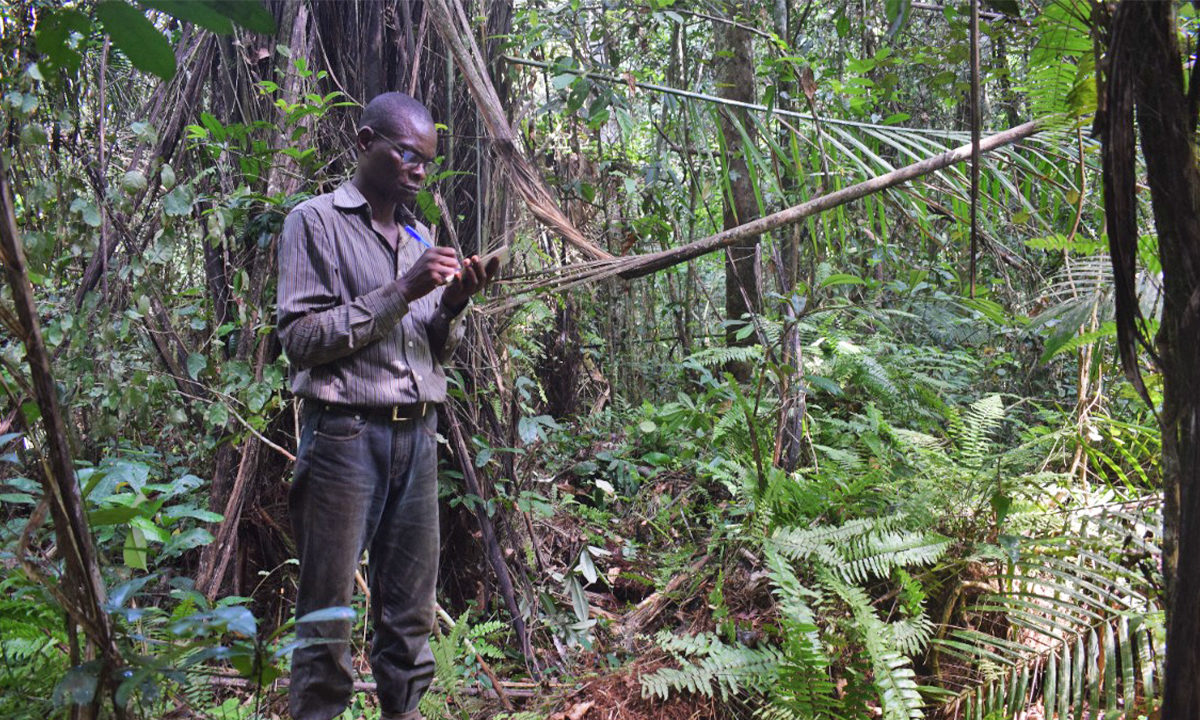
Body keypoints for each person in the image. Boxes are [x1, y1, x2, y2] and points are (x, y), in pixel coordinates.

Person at [277, 91, 495, 720]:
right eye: (407, 155)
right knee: (328, 616)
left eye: (427, 161)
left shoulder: (418, 237)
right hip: (345, 437)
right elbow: (301, 340)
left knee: (409, 615)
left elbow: (430, 349)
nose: (419, 171)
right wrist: (403, 288)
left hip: (417, 440)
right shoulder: (313, 223)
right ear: (364, 141)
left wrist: (452, 304)